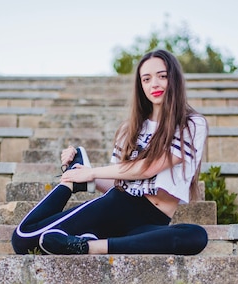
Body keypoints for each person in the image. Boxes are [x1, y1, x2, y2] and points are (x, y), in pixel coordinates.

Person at [11, 49, 208, 255]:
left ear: (174, 79)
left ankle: (89, 245)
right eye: (146, 79)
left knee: (195, 236)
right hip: (118, 205)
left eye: (162, 76)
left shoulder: (192, 124)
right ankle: (70, 182)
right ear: (140, 86)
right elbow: (117, 182)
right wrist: (84, 174)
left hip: (153, 221)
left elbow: (149, 168)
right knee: (24, 239)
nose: (154, 84)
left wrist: (92, 173)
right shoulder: (129, 129)